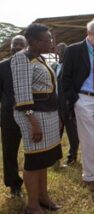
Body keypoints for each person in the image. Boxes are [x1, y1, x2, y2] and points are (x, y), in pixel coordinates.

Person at [11, 23, 62, 214]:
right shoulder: (21, 58)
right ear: (32, 41)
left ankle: (43, 197)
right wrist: (33, 122)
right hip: (32, 116)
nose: (50, 42)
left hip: (47, 114)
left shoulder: (39, 58)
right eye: (46, 39)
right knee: (33, 160)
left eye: (50, 39)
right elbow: (22, 93)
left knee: (43, 159)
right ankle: (32, 205)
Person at [62, 18, 94, 185]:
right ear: (89, 34)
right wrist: (76, 100)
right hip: (84, 99)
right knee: (88, 138)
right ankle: (88, 175)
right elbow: (65, 79)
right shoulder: (73, 50)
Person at [0, 35, 26, 198]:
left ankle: (33, 181)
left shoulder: (31, 64)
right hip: (9, 115)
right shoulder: (2, 66)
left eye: (20, 45)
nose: (16, 47)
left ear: (26, 46)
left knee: (34, 151)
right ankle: (14, 185)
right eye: (14, 45)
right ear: (10, 47)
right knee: (10, 151)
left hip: (31, 115)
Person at [51, 42, 79, 166]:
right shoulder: (55, 66)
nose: (60, 54)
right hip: (56, 103)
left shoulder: (73, 67)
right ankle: (55, 158)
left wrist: (70, 102)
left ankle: (72, 156)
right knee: (57, 131)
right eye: (58, 52)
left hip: (68, 103)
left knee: (72, 131)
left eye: (63, 52)